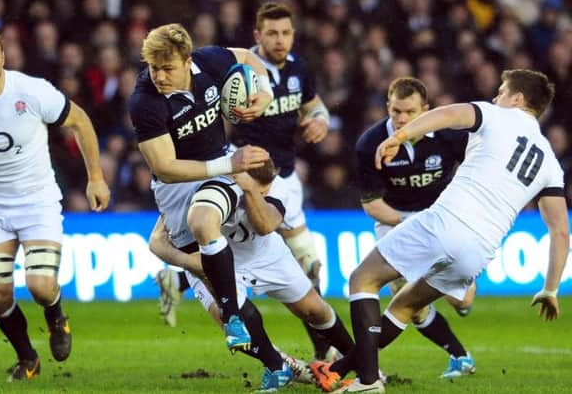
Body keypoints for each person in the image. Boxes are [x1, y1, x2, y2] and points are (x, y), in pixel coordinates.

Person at [330, 69, 569, 393]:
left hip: (447, 223)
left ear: (518, 99)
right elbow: (559, 231)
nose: (496, 97)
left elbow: (448, 114)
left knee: (362, 279)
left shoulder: (498, 115)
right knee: (404, 306)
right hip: (480, 252)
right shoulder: (550, 162)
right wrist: (551, 288)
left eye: (501, 91)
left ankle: (368, 381)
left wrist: (398, 137)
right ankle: (337, 369)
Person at [156, 2, 336, 361]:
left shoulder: (299, 68)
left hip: (286, 176)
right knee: (240, 255)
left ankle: (175, 280)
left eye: (286, 32)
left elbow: (314, 105)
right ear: (257, 35)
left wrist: (321, 118)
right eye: (272, 32)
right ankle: (310, 353)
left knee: (308, 269)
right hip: (245, 172)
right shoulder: (239, 71)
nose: (280, 39)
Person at [0, 25, 111, 381]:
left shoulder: (31, 91)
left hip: (38, 200)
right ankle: (27, 358)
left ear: (4, 58)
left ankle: (56, 314)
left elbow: (80, 121)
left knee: (40, 286)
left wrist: (95, 177)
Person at [310, 77, 478, 391]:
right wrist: (414, 229)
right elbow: (373, 204)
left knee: (463, 302)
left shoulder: (449, 137)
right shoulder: (370, 143)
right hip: (395, 220)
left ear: (426, 110)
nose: (401, 119)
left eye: (410, 112)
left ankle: (349, 366)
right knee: (408, 301)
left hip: (442, 218)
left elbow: (475, 171)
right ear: (387, 107)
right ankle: (460, 356)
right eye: (396, 111)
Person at [127, 23, 274, 352]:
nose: (159, 77)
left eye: (167, 69)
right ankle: (276, 364)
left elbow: (248, 57)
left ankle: (233, 314)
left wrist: (265, 92)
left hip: (218, 170)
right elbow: (165, 168)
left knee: (207, 223)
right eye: (153, 68)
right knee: (203, 266)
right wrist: (229, 165)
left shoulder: (210, 62)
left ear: (187, 60)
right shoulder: (144, 103)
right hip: (177, 185)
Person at [149, 159, 355, 391]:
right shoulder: (209, 191)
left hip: (265, 254)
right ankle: (284, 367)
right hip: (216, 262)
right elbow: (156, 242)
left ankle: (362, 365)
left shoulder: (277, 187)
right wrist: (190, 263)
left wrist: (249, 189)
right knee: (235, 327)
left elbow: (266, 225)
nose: (266, 190)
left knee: (314, 309)